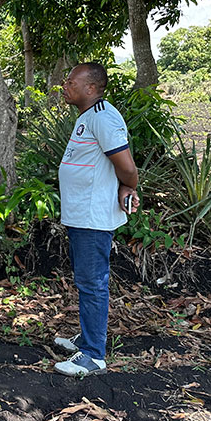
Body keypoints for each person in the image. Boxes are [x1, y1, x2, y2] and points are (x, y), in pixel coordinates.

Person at [53, 62, 139, 377]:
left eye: (71, 81)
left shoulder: (103, 117)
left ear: (90, 87)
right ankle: (88, 337)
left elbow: (127, 166)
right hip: (81, 215)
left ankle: (93, 355)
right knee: (87, 281)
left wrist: (129, 185)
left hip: (93, 217)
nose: (65, 85)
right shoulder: (88, 117)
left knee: (92, 283)